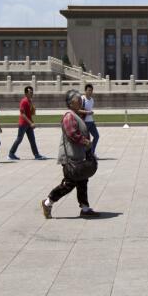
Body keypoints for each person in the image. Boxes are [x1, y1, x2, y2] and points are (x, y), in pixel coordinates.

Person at [41, 89, 97, 218]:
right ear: (71, 103)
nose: (80, 102)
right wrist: (85, 141)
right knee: (69, 184)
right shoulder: (69, 115)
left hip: (78, 156)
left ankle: (85, 208)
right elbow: (72, 134)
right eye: (78, 100)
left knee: (83, 181)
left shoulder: (75, 114)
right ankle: (48, 202)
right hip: (70, 157)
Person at [8, 85, 46, 160]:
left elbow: (29, 113)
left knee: (32, 139)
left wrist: (32, 115)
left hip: (28, 124)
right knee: (19, 139)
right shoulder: (24, 101)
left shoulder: (29, 101)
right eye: (30, 92)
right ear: (26, 94)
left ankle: (36, 154)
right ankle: (11, 154)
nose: (32, 93)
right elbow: (22, 114)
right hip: (23, 124)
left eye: (32, 92)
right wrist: (30, 123)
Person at [82, 83, 100, 155]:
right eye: (88, 90)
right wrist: (87, 112)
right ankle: (85, 154)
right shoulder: (82, 99)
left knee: (96, 136)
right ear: (85, 91)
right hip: (84, 122)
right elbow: (78, 110)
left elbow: (90, 109)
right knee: (86, 139)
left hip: (91, 121)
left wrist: (90, 114)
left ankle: (92, 152)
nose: (90, 92)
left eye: (91, 90)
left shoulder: (92, 100)